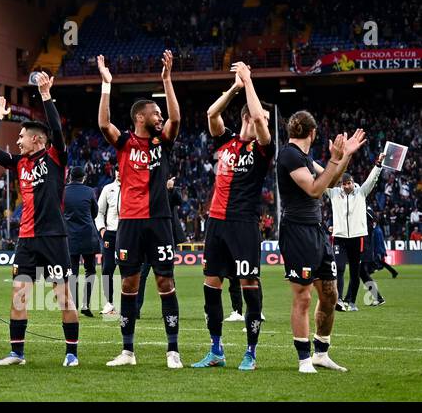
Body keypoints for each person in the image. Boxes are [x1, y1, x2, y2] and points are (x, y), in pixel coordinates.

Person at [0, 73, 79, 367]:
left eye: (22, 136)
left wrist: (46, 95)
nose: (18, 141)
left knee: (63, 296)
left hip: (53, 237)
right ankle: (17, 353)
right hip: (26, 239)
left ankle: (72, 354)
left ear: (36, 139)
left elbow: (58, 134)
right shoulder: (19, 163)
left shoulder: (55, 157)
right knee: (18, 296)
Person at [96, 50, 183, 368]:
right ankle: (127, 351)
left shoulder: (164, 141)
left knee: (165, 282)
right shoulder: (125, 143)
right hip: (129, 223)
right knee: (129, 284)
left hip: (160, 220)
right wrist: (106, 85)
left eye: (160, 113)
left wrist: (167, 79)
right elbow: (104, 123)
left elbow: (176, 119)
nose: (160, 117)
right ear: (140, 117)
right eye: (155, 113)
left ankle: (173, 350)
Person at [191, 62, 273, 371]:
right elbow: (212, 114)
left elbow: (263, 129)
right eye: (258, 118)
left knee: (249, 284)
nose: (262, 123)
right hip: (216, 222)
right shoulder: (225, 142)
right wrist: (235, 88)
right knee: (211, 285)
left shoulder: (264, 149)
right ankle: (216, 349)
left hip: (243, 225)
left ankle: (251, 352)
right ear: (245, 118)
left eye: (264, 119)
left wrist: (250, 81)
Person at [276, 111, 365, 373]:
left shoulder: (304, 157)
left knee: (329, 294)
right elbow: (315, 189)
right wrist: (335, 159)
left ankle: (321, 353)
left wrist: (344, 157)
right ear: (313, 133)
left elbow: (333, 180)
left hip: (316, 230)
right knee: (302, 297)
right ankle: (304, 359)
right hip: (297, 231)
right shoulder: (290, 154)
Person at [327, 153, 383, 312]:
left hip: (358, 238)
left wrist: (378, 165)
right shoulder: (333, 193)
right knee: (338, 268)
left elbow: (372, 179)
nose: (346, 186)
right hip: (339, 237)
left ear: (353, 182)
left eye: (349, 183)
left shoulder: (361, 193)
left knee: (354, 271)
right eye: (343, 184)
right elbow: (323, 181)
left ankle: (351, 301)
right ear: (340, 184)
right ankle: (338, 300)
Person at [64, 166, 100, 317]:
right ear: (83, 177)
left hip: (70, 236)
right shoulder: (89, 191)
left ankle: (74, 305)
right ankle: (86, 304)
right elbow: (95, 212)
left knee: (72, 272)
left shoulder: (63, 192)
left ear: (70, 177)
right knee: (90, 270)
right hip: (87, 235)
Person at [95, 169, 121, 316]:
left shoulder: (132, 188)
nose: (118, 173)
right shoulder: (107, 189)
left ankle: (128, 305)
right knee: (107, 269)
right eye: (116, 170)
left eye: (121, 169)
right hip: (110, 234)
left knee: (128, 271)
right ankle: (109, 303)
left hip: (127, 233)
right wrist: (102, 229)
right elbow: (99, 212)